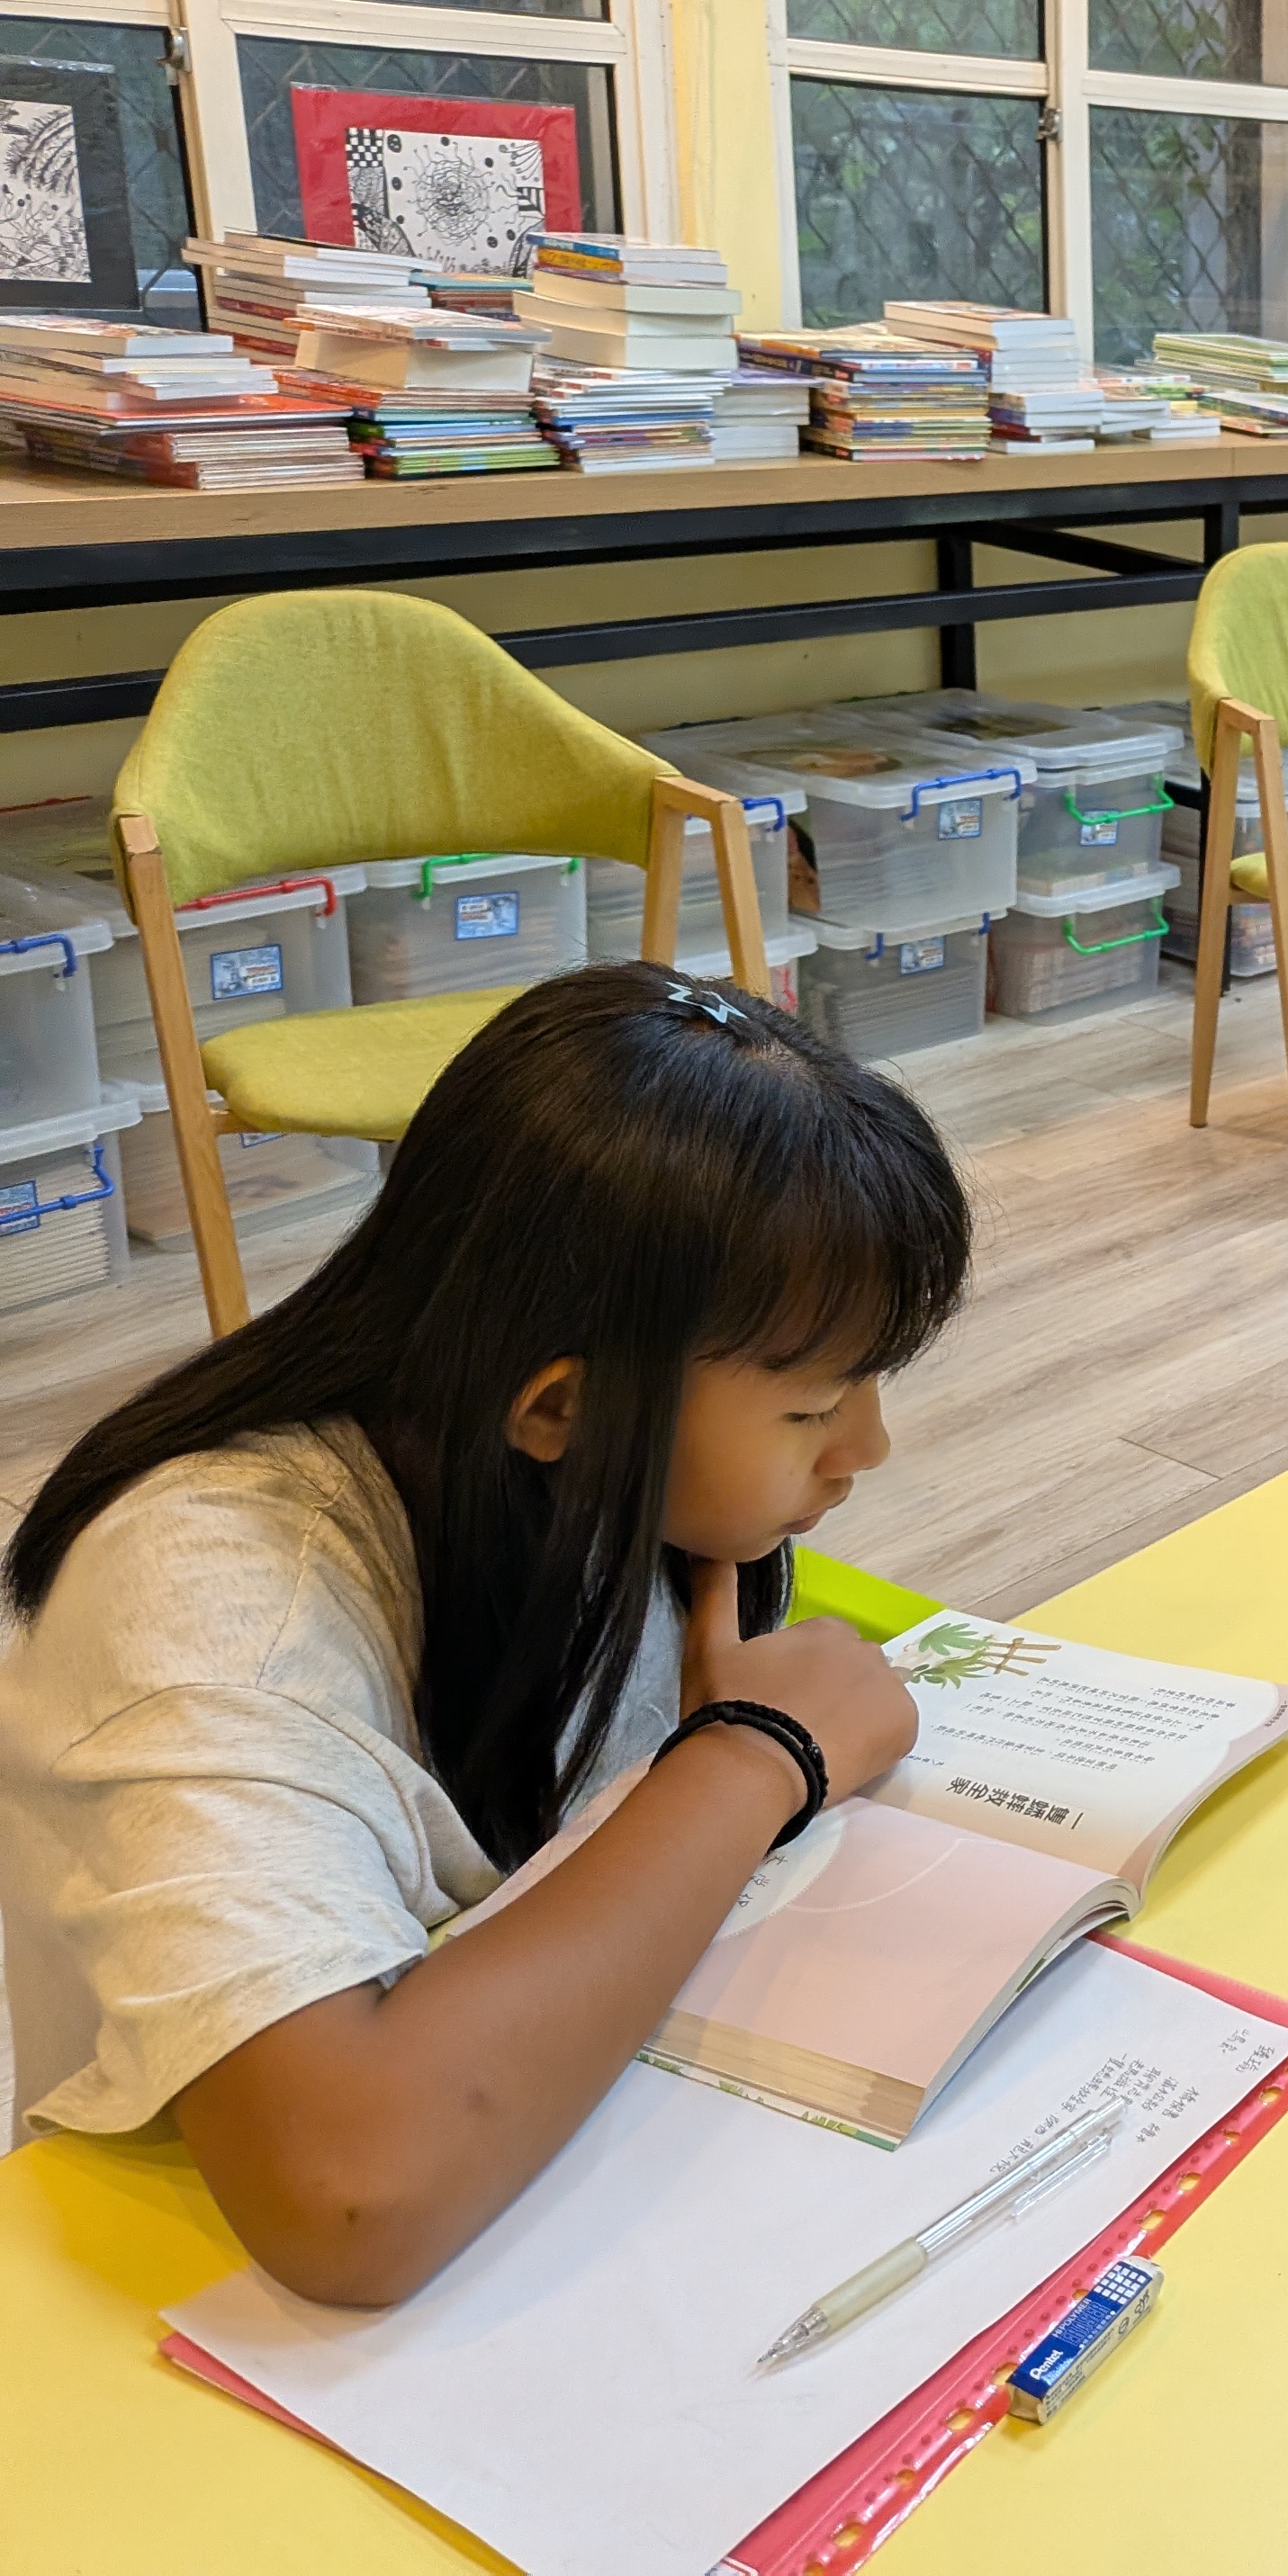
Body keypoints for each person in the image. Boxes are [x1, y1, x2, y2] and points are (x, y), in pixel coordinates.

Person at [0, 966, 967, 2303]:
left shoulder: (600, 1489)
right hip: (191, 2287)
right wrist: (753, 1757)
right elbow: (349, 2195)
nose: (868, 1447)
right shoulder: (216, 1607)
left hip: (564, 2172)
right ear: (561, 1407)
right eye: (813, 1409)